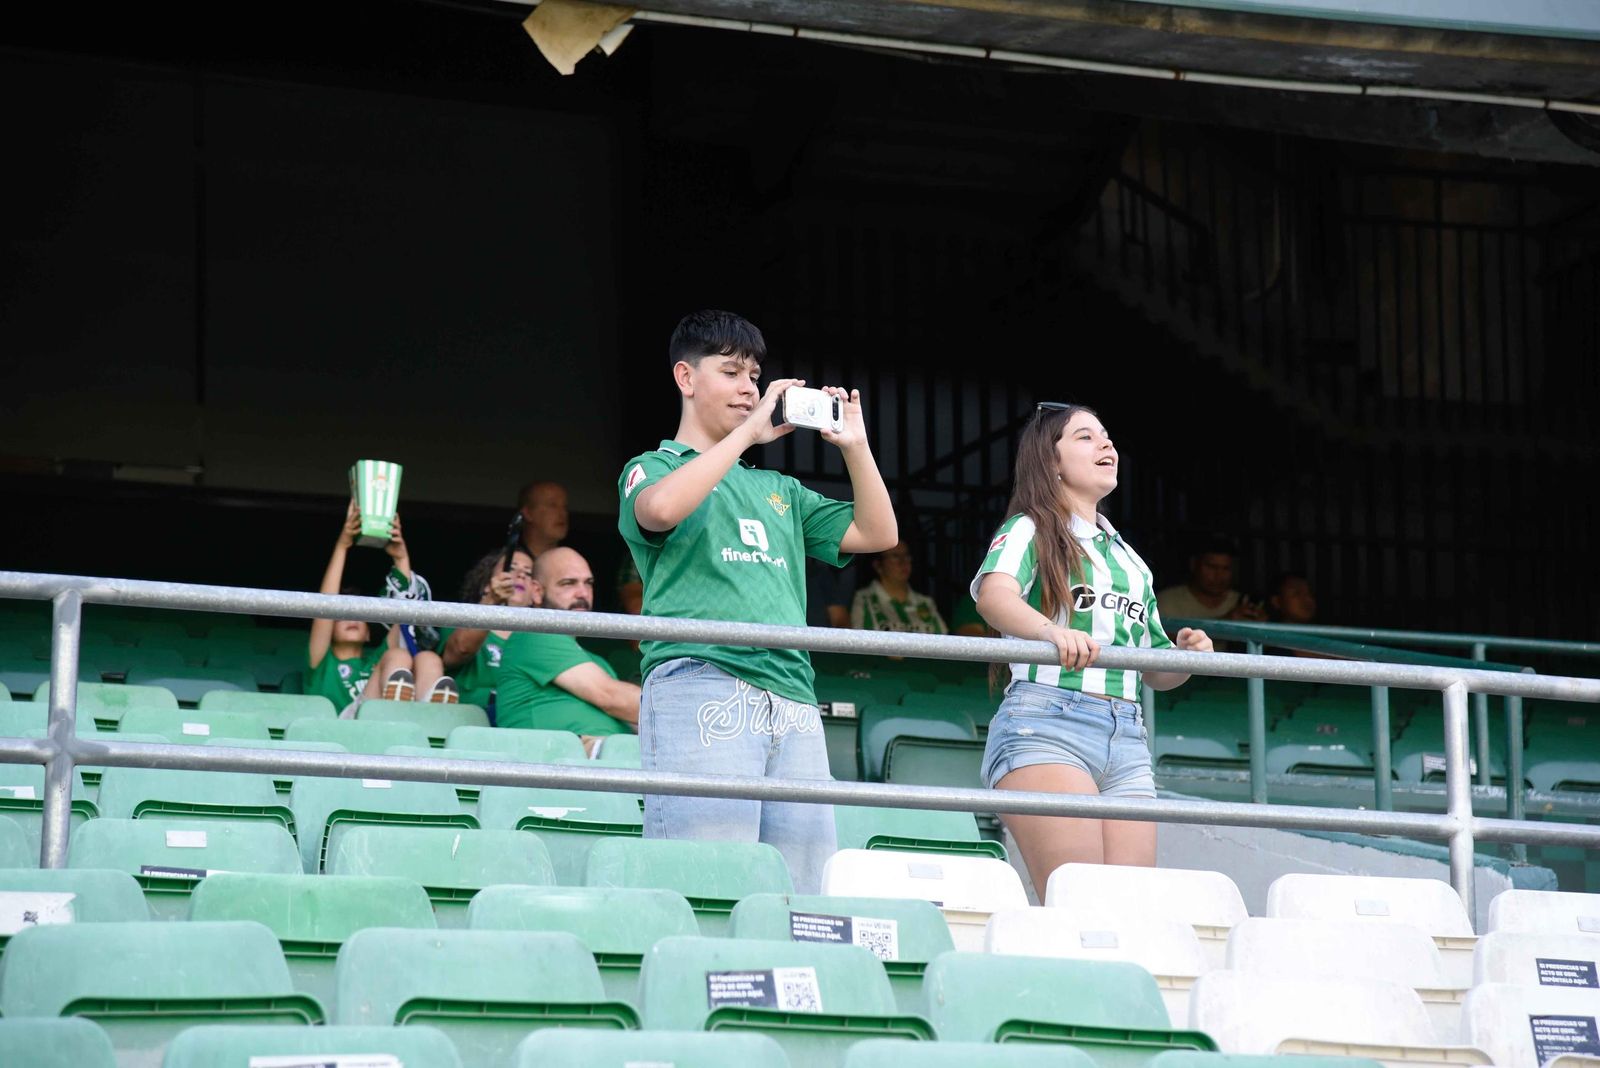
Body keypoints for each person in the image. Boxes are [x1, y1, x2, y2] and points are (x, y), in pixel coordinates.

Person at [617, 309, 897, 894]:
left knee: (801, 890)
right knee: (705, 885)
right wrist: (748, 434)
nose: (750, 389)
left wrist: (857, 447)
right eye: (732, 373)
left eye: (755, 375)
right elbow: (660, 511)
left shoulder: (780, 490)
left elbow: (879, 534)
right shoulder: (651, 467)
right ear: (685, 379)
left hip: (793, 696)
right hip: (700, 680)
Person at [973, 402, 1212, 893]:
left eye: (1106, 436)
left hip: (1127, 737)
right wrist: (1048, 631)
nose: (1106, 444)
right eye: (1085, 437)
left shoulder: (1132, 560)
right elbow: (993, 596)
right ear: (1051, 461)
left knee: (1129, 910)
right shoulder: (1030, 527)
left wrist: (1188, 657)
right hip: (1045, 724)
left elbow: (1157, 672)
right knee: (1078, 901)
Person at [308, 501, 453, 714]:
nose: (352, 619)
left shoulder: (377, 662)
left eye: (359, 615)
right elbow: (324, 606)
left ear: (369, 633)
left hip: (384, 724)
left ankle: (431, 720)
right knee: (398, 657)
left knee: (425, 658)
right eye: (341, 616)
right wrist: (342, 545)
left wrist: (400, 557)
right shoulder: (322, 662)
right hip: (342, 727)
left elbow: (405, 609)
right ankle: (408, 714)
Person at [493, 546, 640, 753]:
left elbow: (633, 712)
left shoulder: (598, 662)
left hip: (614, 757)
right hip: (554, 765)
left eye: (588, 584)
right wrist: (688, 712)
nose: (583, 593)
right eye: (568, 583)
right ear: (536, 591)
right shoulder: (534, 634)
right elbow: (610, 696)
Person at [438, 547, 538, 715]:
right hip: (463, 723)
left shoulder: (541, 641)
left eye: (528, 573)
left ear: (536, 593)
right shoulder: (461, 621)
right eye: (511, 568)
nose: (520, 575)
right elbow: (460, 650)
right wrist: (491, 600)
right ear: (486, 585)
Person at [1155, 535, 1267, 624]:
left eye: (1226, 568)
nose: (1219, 575)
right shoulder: (1167, 601)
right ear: (1194, 564)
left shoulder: (1244, 604)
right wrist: (1226, 623)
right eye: (1211, 567)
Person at [851, 541, 948, 635]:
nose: (903, 562)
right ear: (878, 565)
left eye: (906, 556)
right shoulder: (863, 601)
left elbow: (943, 642)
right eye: (895, 556)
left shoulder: (925, 603)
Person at [517, 481, 569, 559]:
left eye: (565, 507)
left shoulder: (574, 565)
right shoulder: (505, 563)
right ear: (528, 513)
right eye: (552, 505)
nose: (563, 513)